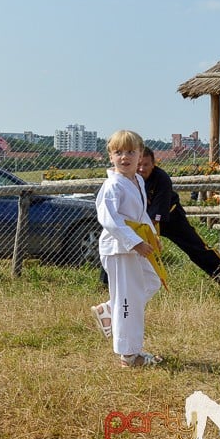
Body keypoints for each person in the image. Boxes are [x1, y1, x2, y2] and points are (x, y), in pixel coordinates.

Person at [90, 130, 163, 368]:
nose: (125, 157)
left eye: (131, 152)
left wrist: (152, 237)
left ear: (141, 154)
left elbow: (141, 214)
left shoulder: (137, 181)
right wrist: (135, 242)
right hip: (120, 249)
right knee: (128, 303)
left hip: (136, 246)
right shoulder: (113, 186)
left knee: (152, 282)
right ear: (110, 156)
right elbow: (110, 220)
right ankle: (129, 355)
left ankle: (109, 309)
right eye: (118, 152)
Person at [138, 147, 220, 289]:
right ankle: (108, 285)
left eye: (146, 164)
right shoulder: (129, 177)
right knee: (122, 245)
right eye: (138, 164)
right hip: (142, 220)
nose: (141, 169)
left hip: (170, 217)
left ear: (153, 164)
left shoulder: (162, 179)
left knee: (197, 250)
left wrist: (146, 237)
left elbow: (155, 216)